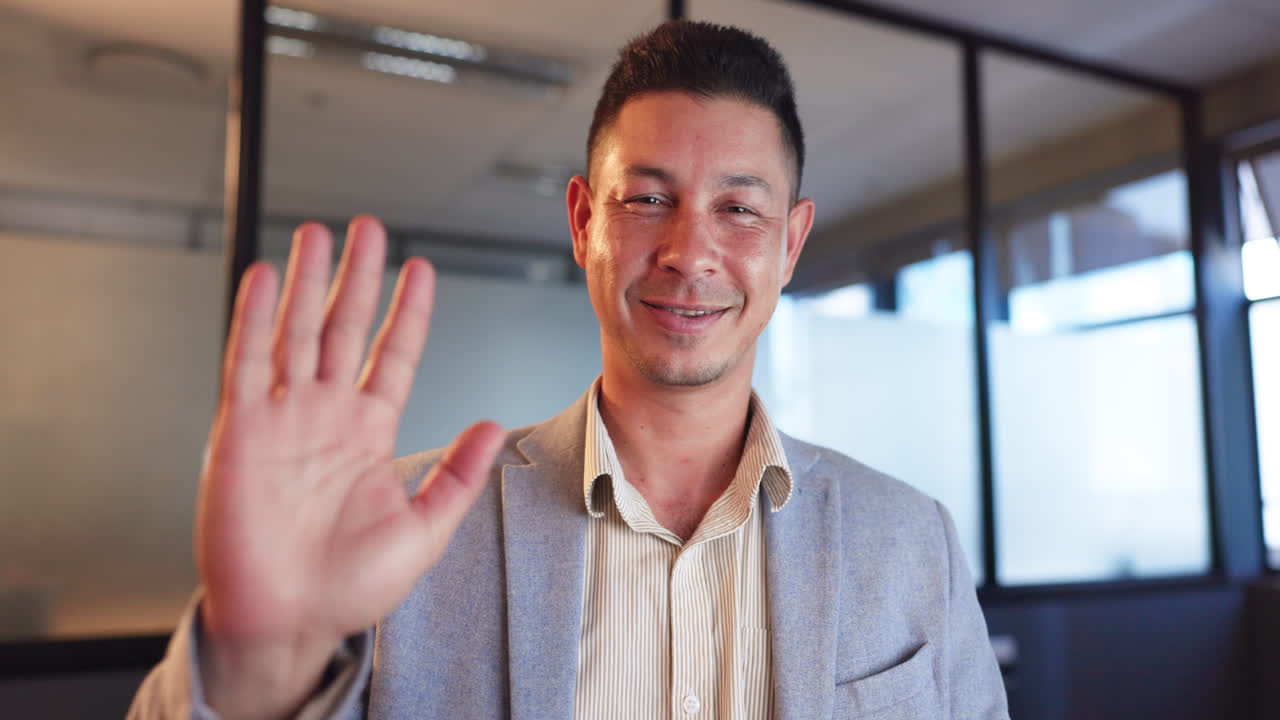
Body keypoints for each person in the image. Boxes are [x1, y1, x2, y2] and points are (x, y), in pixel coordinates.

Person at [129, 19, 1008, 720]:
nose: (688, 252)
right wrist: (254, 662)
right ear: (584, 221)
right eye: (648, 199)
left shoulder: (911, 542)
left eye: (738, 207)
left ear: (791, 242)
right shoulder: (398, 539)